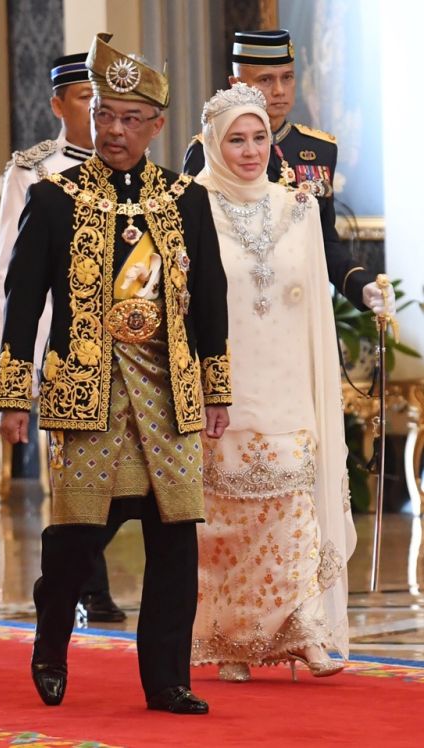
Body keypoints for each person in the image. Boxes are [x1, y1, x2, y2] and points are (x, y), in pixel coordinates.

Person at [0, 34, 231, 714]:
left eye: (131, 119)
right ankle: (49, 641)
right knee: (76, 540)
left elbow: (210, 298)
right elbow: (22, 307)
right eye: (105, 115)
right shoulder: (53, 198)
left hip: (168, 395)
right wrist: (15, 396)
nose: (116, 131)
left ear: (157, 126)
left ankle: (166, 678)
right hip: (88, 394)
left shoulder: (185, 199)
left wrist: (216, 389)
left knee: (173, 544)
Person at [189, 83, 366, 682]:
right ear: (213, 144)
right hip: (228, 385)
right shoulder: (193, 208)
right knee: (230, 519)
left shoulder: (299, 208)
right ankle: (234, 642)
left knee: (293, 505)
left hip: (288, 379)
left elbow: (315, 298)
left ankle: (307, 632)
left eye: (259, 137)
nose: (249, 150)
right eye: (236, 139)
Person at [0, 52, 124, 625]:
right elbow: (13, 271)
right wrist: (22, 368)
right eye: (85, 100)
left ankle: (83, 575)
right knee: (75, 472)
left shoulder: (130, 168)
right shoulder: (33, 171)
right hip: (63, 341)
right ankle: (86, 587)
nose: (100, 115)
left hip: (126, 341)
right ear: (59, 104)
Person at [183, 29, 387, 314]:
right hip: (237, 305)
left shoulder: (320, 150)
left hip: (300, 304)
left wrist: (360, 284)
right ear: (236, 83)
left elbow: (323, 240)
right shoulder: (209, 150)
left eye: (287, 77)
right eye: (265, 79)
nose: (279, 90)